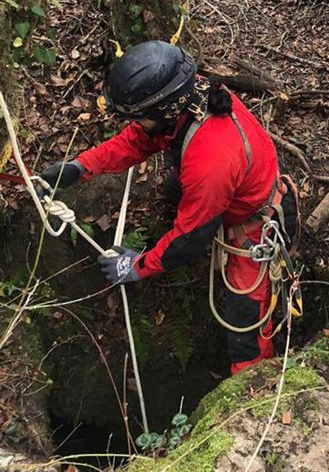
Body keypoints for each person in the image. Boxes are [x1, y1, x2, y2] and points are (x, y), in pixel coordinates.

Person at [38, 40, 299, 375]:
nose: (137, 124)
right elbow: (137, 140)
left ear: (161, 111)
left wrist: (138, 265)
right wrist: (81, 166)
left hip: (255, 223)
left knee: (244, 327)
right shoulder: (189, 96)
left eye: (140, 117)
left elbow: (190, 239)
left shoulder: (209, 161)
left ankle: (254, 389)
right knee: (175, 187)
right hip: (233, 185)